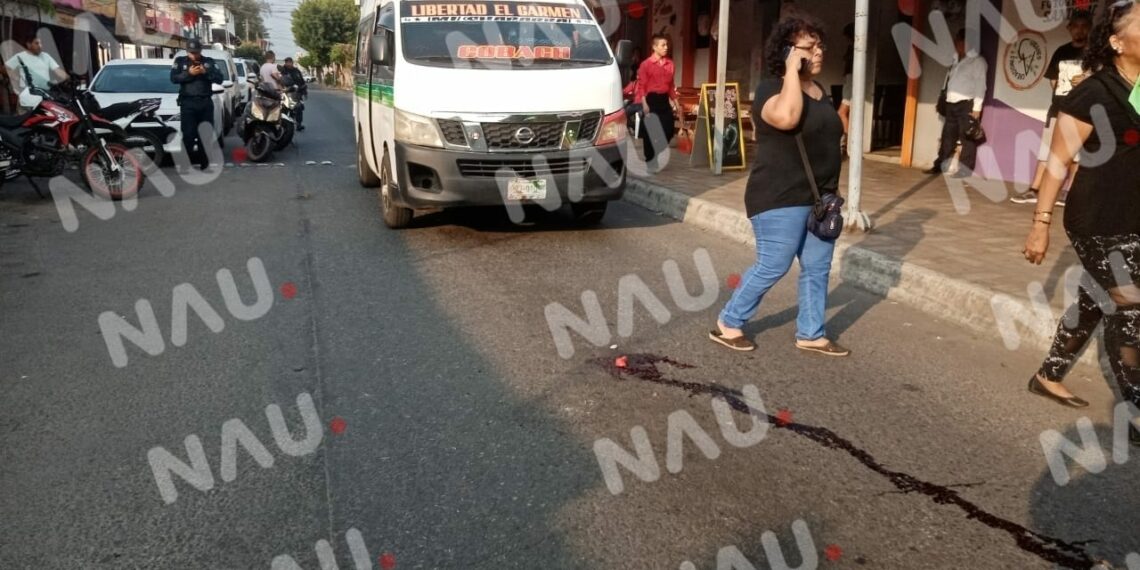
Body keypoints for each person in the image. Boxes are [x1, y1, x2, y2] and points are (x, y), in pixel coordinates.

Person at [1022, 0, 1140, 447]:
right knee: (1130, 304)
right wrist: (1040, 223)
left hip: (1132, 217)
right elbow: (1056, 163)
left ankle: (1048, 376)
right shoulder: (1091, 92)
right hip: (1096, 218)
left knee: (1094, 299)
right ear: (1116, 41)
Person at [709, 15, 848, 357]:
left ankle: (811, 333)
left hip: (820, 197)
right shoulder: (771, 89)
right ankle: (729, 321)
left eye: (820, 45)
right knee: (774, 263)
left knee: (817, 268)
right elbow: (786, 118)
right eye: (808, 47)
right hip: (779, 195)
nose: (818, 52)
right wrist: (790, 71)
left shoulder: (821, 92)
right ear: (788, 51)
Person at [1011, 11, 1093, 207]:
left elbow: (1099, 80)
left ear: (1089, 28)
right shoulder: (1061, 52)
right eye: (1075, 26)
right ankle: (1034, 190)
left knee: (1075, 155)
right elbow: (1053, 81)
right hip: (1057, 109)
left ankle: (1068, 192)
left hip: (1081, 112)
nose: (1079, 30)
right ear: (1069, 28)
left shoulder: (1094, 54)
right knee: (1046, 151)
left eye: (1083, 26)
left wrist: (1086, 78)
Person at [924, 28, 988, 178]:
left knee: (966, 138)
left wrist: (977, 109)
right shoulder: (956, 59)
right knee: (947, 136)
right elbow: (949, 80)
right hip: (951, 102)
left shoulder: (977, 61)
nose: (956, 45)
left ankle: (965, 170)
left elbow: (981, 86)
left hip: (966, 103)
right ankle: (940, 165)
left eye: (959, 42)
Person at [170, 38, 223, 170]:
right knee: (188, 135)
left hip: (205, 102)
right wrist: (189, 73)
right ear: (187, 51)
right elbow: (173, 78)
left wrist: (206, 73)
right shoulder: (180, 62)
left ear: (200, 51)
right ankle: (185, 165)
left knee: (205, 134)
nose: (194, 55)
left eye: (196, 52)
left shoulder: (208, 62)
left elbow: (220, 78)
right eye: (191, 52)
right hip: (188, 103)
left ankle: (204, 164)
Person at [633, 35, 679, 170]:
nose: (666, 47)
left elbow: (671, 85)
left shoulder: (670, 64)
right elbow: (642, 86)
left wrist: (676, 102)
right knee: (650, 131)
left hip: (664, 99)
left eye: (666, 45)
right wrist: (644, 103)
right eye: (663, 45)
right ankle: (651, 160)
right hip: (650, 99)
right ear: (654, 47)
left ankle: (657, 151)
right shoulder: (646, 64)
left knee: (669, 129)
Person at [4, 36, 67, 110]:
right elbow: (5, 68)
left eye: (41, 43)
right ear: (28, 44)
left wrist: (69, 78)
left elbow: (58, 71)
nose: (40, 46)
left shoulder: (46, 56)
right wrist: (15, 77)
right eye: (36, 43)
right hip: (27, 97)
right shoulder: (20, 56)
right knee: (26, 120)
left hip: (45, 96)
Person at [279, 57, 307, 131]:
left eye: (289, 62)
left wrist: (304, 91)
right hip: (285, 92)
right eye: (286, 62)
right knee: (282, 107)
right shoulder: (283, 71)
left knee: (299, 107)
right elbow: (279, 79)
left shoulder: (296, 71)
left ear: (292, 62)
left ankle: (299, 124)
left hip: (296, 92)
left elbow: (302, 81)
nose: (288, 63)